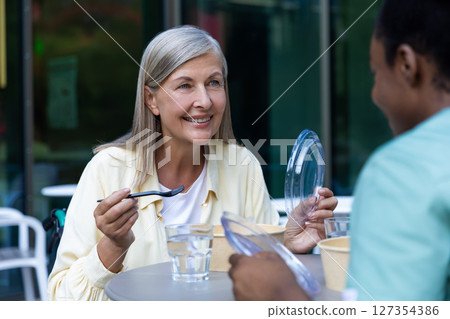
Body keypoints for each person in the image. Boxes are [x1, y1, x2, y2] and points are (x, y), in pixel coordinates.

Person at [48, 25, 336, 300]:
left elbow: (264, 284)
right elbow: (60, 300)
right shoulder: (108, 169)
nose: (204, 101)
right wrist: (112, 247)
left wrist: (288, 244)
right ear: (152, 99)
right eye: (185, 85)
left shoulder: (241, 163)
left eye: (214, 83)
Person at [228, 0, 450, 301]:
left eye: (374, 74)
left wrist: (283, 295)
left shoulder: (402, 170)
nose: (374, 95)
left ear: (406, 64)